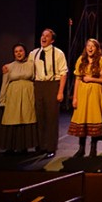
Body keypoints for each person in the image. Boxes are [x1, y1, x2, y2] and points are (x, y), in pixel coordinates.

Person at [28, 28, 68, 158]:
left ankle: (50, 147)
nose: (43, 38)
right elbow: (27, 68)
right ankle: (40, 145)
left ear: (52, 40)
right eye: (42, 35)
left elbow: (63, 73)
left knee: (51, 118)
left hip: (52, 85)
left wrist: (60, 92)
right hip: (38, 85)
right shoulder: (33, 53)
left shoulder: (58, 53)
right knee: (39, 117)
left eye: (47, 36)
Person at [0, 42, 39, 154]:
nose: (19, 53)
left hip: (28, 95)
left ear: (25, 52)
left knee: (26, 119)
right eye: (16, 51)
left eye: (21, 51)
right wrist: (2, 99)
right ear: (13, 54)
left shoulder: (31, 64)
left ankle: (24, 146)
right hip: (13, 96)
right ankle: (10, 147)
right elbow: (4, 83)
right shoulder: (8, 67)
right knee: (12, 120)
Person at [69, 38, 102, 157]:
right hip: (82, 93)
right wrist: (75, 97)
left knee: (94, 119)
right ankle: (81, 148)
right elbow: (77, 79)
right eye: (88, 46)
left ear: (97, 48)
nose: (90, 48)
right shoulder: (81, 60)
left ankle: (93, 148)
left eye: (93, 46)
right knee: (82, 119)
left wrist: (91, 79)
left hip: (96, 94)